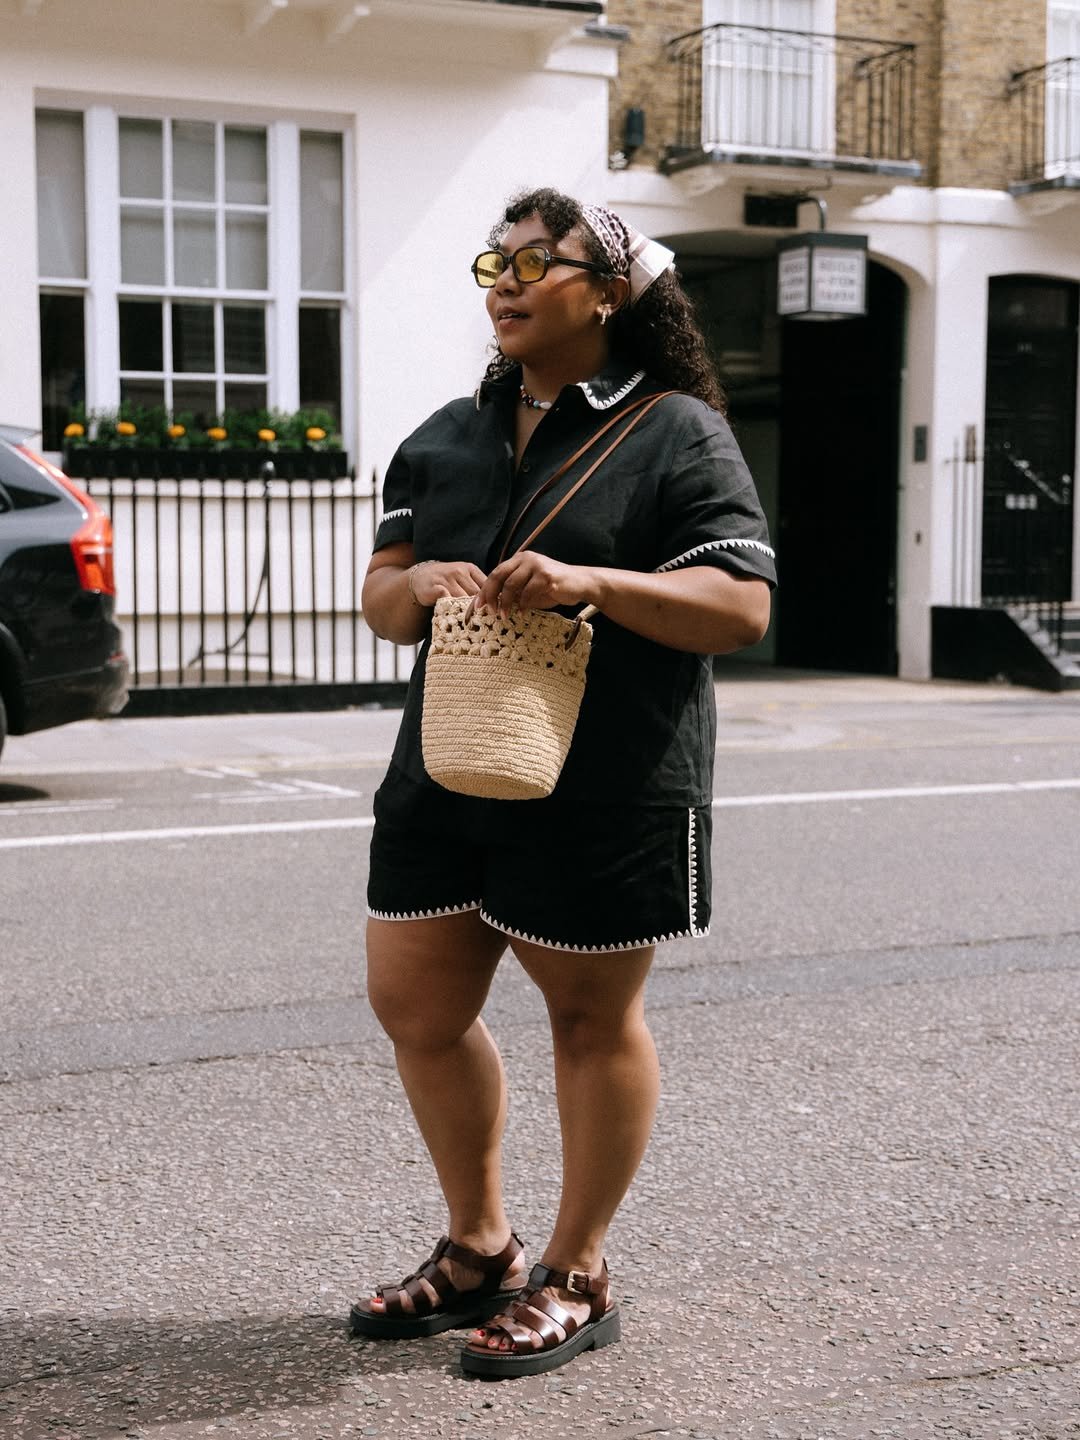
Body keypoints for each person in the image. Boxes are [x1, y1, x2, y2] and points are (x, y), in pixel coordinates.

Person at [350, 186, 776, 1378]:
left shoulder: (677, 429)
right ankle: (479, 1246)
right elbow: (381, 604)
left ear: (610, 292)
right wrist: (423, 579)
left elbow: (741, 606)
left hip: (609, 780)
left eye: (543, 261)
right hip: (448, 767)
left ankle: (577, 1270)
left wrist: (595, 580)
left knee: (591, 1022)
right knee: (418, 1009)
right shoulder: (443, 431)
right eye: (499, 258)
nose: (509, 277)